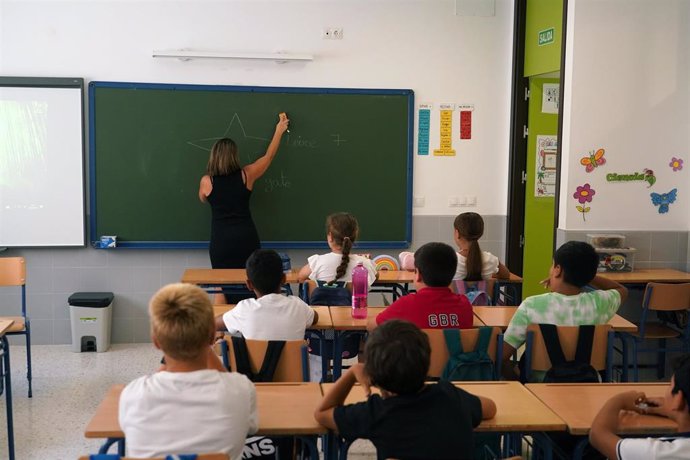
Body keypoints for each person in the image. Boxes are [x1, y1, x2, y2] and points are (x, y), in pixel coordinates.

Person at [314, 320, 496, 460]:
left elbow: (322, 413)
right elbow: (490, 408)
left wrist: (352, 373)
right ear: (427, 364)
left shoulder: (376, 413)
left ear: (375, 377)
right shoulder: (449, 396)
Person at [119, 283, 257, 459]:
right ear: (212, 335)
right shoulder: (241, 389)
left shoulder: (133, 394)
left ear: (156, 342)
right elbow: (251, 428)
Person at [501, 241, 628, 380]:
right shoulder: (599, 303)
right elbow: (622, 290)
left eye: (552, 265)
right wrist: (585, 275)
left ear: (558, 270)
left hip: (540, 387)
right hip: (588, 384)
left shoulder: (531, 305)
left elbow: (502, 355)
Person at [199, 113, 289, 270]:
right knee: (252, 281)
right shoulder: (246, 175)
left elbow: (203, 198)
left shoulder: (207, 182)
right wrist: (279, 130)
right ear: (234, 156)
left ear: (214, 156)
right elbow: (269, 157)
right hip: (246, 238)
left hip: (221, 241)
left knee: (221, 286)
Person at [590, 354, 690, 459]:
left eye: (670, 385)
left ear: (678, 399)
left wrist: (619, 400)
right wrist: (675, 409)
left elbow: (597, 434)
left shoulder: (658, 453)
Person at [369, 242, 473, 331]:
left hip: (416, 355)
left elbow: (372, 326)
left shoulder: (406, 304)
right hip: (450, 355)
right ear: (452, 274)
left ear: (418, 275)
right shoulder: (464, 305)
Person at [215, 248, 318, 340]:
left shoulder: (243, 310)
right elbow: (315, 318)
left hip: (256, 362)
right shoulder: (298, 306)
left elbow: (214, 324)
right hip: (294, 361)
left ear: (249, 284)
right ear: (284, 279)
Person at [297, 212, 376, 286]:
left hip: (322, 301)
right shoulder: (364, 264)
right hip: (353, 301)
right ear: (355, 235)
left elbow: (301, 277)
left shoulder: (317, 262)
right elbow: (376, 276)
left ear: (330, 237)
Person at [452, 212, 510, 281]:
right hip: (483, 292)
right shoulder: (490, 259)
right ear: (480, 234)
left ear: (457, 233)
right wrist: (490, 273)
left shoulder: (449, 261)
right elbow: (506, 275)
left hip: (456, 292)